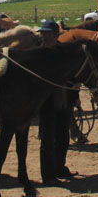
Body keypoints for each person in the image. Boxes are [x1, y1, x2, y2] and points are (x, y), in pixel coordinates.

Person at [37, 20, 78, 183]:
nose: (44, 36)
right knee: (47, 138)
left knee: (62, 136)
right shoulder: (38, 55)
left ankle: (60, 167)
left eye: (47, 33)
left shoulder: (65, 53)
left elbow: (73, 77)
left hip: (64, 99)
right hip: (47, 102)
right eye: (43, 33)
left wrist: (75, 97)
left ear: (55, 35)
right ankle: (48, 175)